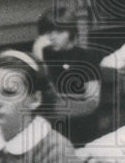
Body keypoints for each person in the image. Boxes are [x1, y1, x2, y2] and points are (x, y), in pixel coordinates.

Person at [35, 7, 102, 144]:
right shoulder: (44, 55)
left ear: (71, 32)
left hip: (79, 123)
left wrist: (55, 110)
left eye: (59, 31)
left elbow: (92, 103)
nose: (52, 37)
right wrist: (37, 57)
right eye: (48, 32)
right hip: (51, 123)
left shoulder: (86, 57)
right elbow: (41, 91)